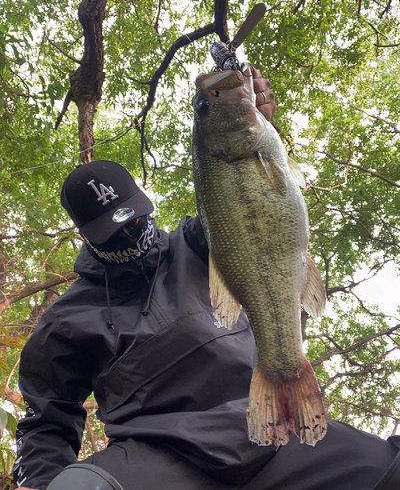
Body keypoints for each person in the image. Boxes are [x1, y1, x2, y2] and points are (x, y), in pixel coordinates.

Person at [13, 69, 400, 490]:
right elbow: (44, 424)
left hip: (268, 432)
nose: (129, 232)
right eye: (113, 229)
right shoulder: (67, 318)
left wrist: (257, 120)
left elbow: (248, 209)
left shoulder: (197, 242)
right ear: (87, 237)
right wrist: (41, 480)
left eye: (135, 218)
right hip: (158, 458)